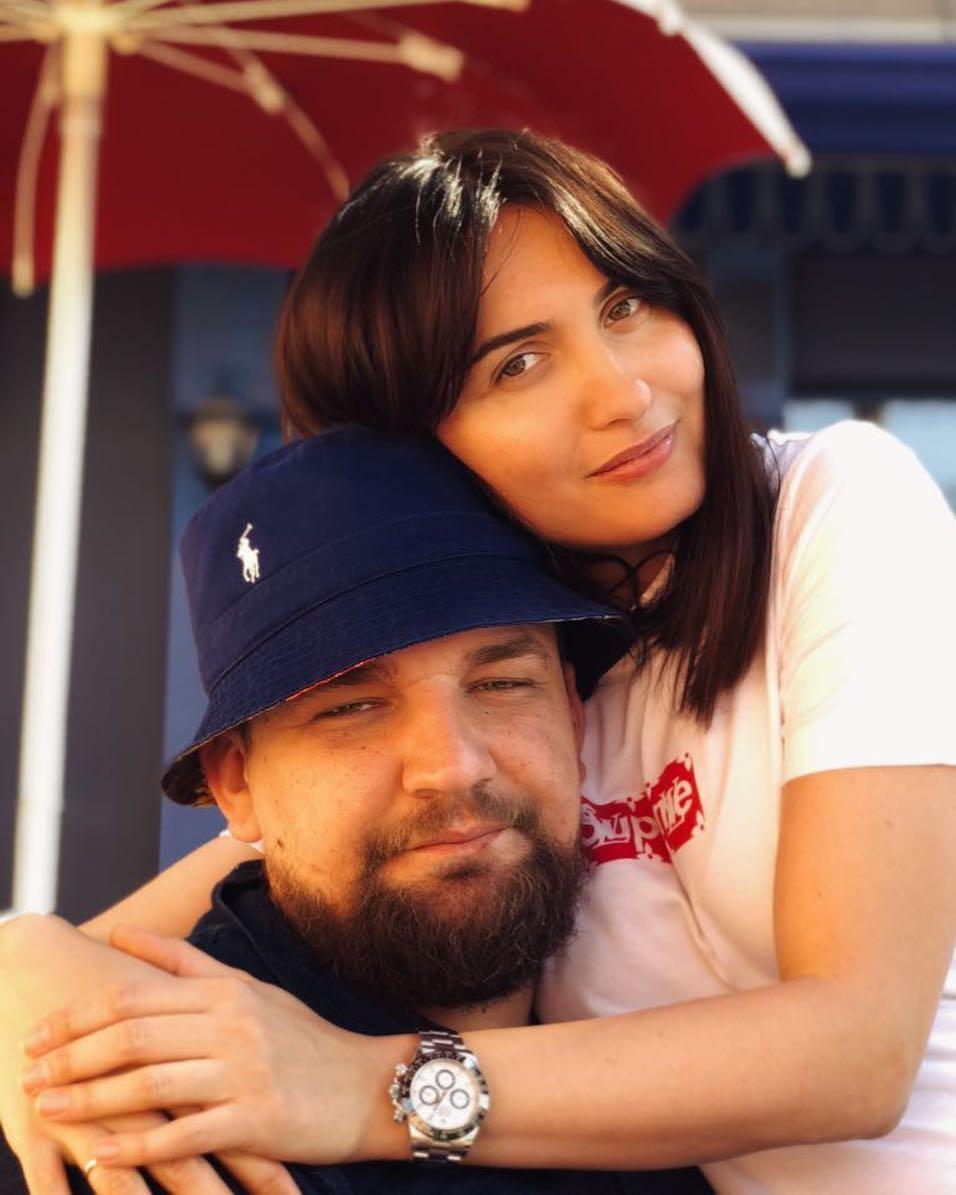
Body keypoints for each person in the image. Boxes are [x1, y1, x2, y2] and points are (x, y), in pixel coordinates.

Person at [4, 128, 956, 1193]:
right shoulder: (533, 658)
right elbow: (270, 843)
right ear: (411, 457)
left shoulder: (835, 503)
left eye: (625, 304)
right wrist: (22, 963)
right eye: (517, 363)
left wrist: (367, 1089)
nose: (623, 392)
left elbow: (860, 1050)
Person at [4, 427, 711, 1194]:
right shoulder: (136, 1131)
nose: (453, 765)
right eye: (352, 707)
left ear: (573, 717)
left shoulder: (684, 1023)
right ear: (238, 784)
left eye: (502, 683)